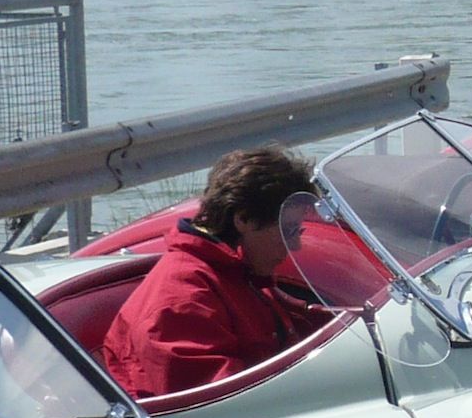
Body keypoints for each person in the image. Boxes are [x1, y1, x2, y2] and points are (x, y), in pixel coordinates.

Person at [101, 147, 319, 399]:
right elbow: (219, 405)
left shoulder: (238, 274)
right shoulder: (182, 299)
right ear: (244, 219)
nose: (295, 246)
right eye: (287, 230)